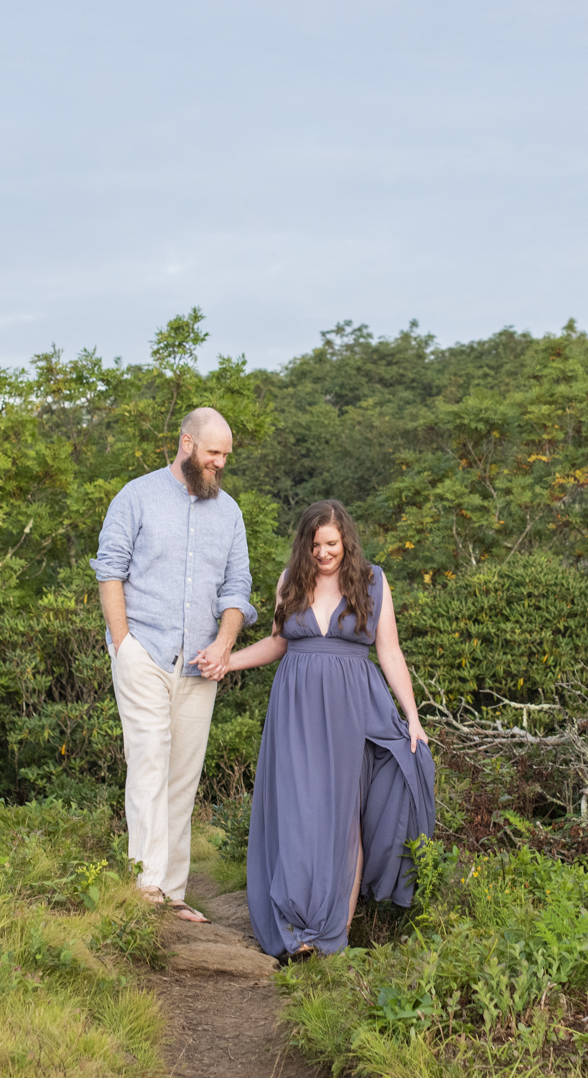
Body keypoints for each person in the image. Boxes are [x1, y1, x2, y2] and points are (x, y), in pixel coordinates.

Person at [211, 499, 436, 958]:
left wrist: (412, 717)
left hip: (354, 709)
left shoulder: (372, 581)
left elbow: (389, 652)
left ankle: (332, 935)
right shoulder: (290, 580)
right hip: (295, 712)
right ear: (305, 544)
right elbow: (276, 643)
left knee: (343, 816)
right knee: (298, 812)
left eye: (331, 543)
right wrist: (226, 662)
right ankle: (292, 927)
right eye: (315, 544)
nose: (323, 553)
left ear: (346, 540)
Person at [91, 406, 256, 924]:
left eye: (225, 456)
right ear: (187, 444)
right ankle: (146, 889)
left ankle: (174, 892)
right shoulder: (135, 497)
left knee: (183, 776)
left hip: (200, 666)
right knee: (148, 763)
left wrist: (226, 642)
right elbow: (109, 571)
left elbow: (237, 589)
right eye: (213, 453)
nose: (220, 464)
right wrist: (123, 645)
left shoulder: (229, 512)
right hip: (144, 652)